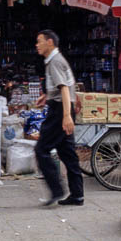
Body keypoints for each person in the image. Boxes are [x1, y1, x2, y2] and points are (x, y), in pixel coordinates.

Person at [35, 30, 84, 207]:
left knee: (41, 149)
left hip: (59, 111)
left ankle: (56, 190)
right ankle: (77, 195)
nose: (37, 45)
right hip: (61, 106)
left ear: (50, 42)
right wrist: (47, 95)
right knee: (67, 153)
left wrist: (66, 116)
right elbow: (62, 87)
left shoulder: (55, 61)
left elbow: (64, 88)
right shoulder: (54, 60)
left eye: (39, 41)